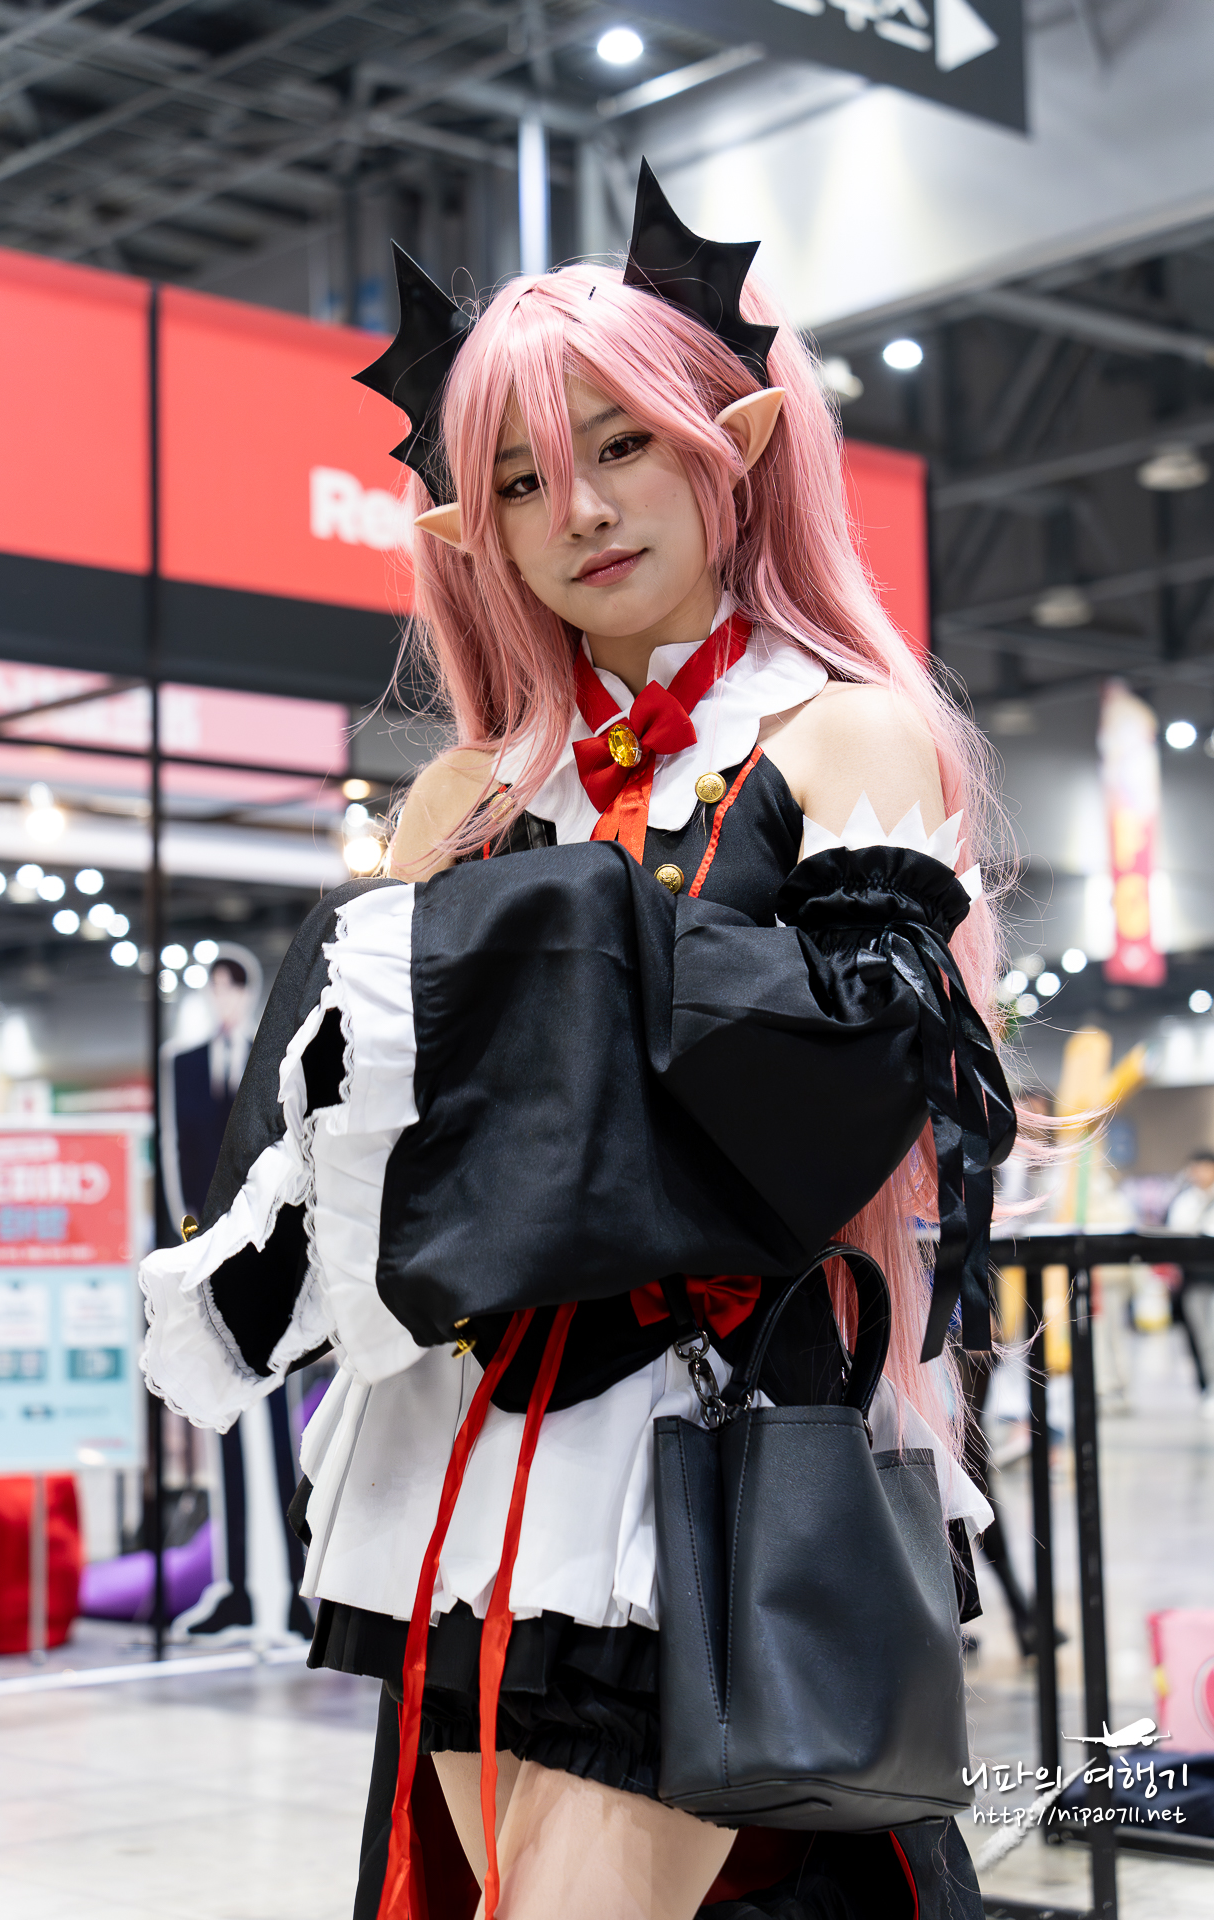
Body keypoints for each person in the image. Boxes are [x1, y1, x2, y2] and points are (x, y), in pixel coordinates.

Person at [139, 165, 1017, 1920]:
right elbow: (352, 1122)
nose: (581, 512)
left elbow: (846, 1099)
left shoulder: (841, 737)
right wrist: (262, 1277)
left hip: (706, 1445)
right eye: (522, 481)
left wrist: (552, 949)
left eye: (620, 448)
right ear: (473, 529)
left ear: (725, 448)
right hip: (462, 1458)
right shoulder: (467, 795)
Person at [160, 945, 313, 1639]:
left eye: (234, 987)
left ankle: (291, 1591)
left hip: (266, 1256)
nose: (225, 1000)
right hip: (207, 1257)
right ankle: (241, 1590)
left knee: (277, 1427)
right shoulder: (183, 1065)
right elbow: (176, 1159)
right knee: (219, 1424)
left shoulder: (273, 1054)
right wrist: (190, 1246)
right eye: (216, 988)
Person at [1166, 1148, 1214, 1417]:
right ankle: (1209, 1388)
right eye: (1195, 1168)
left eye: (1205, 1167)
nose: (1199, 1173)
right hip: (1195, 1280)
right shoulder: (1184, 1202)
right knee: (1202, 1337)